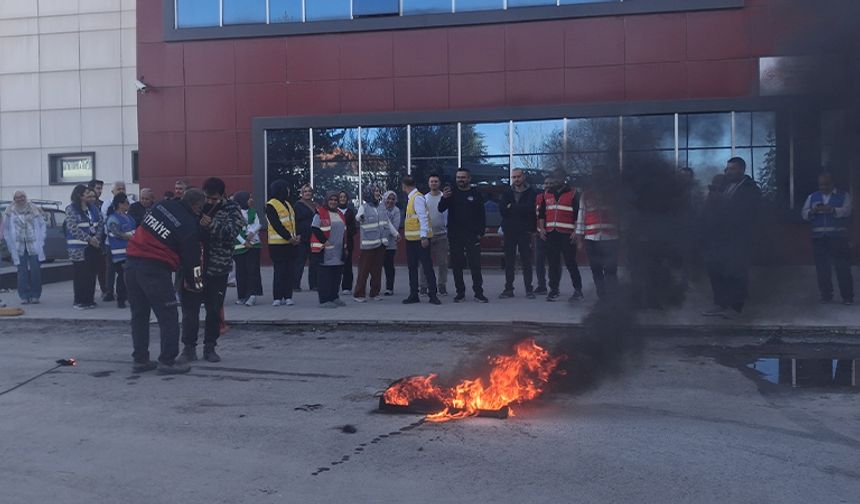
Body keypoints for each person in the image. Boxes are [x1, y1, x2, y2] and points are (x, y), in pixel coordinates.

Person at [126, 189, 205, 375]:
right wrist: (197, 286)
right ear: (196, 206)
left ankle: (140, 360)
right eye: (200, 208)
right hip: (154, 270)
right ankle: (168, 361)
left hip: (130, 264)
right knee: (168, 315)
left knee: (139, 314)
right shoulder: (188, 225)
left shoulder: (161, 205)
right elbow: (192, 260)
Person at [179, 177, 243, 364]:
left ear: (222, 195)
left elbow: (233, 232)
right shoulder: (194, 206)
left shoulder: (232, 209)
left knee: (213, 310)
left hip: (218, 267)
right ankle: (188, 348)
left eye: (214, 199)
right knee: (189, 310)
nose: (209, 202)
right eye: (207, 197)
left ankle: (210, 347)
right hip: (193, 267)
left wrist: (212, 225)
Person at [701, 157, 761, 319]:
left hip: (739, 238)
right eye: (727, 169)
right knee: (716, 269)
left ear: (742, 170)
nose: (728, 172)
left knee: (736, 272)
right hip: (719, 237)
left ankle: (736, 307)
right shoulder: (723, 186)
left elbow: (750, 215)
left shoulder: (751, 189)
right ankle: (720, 303)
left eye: (732, 169)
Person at [801, 172, 854, 305]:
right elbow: (804, 213)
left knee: (842, 268)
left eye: (826, 184)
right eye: (821, 184)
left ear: (832, 183)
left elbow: (847, 211)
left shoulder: (843, 195)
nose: (823, 187)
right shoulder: (812, 197)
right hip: (819, 238)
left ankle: (847, 297)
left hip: (838, 238)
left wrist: (832, 210)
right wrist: (812, 212)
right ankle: (826, 296)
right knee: (822, 269)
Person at [439, 168, 487, 303]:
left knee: (475, 265)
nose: (460, 179)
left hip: (472, 236)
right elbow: (441, 208)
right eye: (458, 177)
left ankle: (479, 293)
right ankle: (460, 293)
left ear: (469, 179)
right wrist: (444, 198)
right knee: (457, 265)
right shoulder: (451, 193)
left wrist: (480, 233)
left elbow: (481, 215)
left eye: (463, 177)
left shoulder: (476, 193)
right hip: (455, 236)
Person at [537, 172, 584, 302]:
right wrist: (542, 229)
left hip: (567, 233)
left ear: (564, 178)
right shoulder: (547, 194)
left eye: (558, 178)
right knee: (553, 264)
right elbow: (542, 214)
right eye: (554, 178)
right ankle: (553, 290)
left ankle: (578, 290)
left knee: (570, 262)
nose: (556, 180)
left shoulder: (573, 193)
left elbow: (577, 214)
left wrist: (576, 231)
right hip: (551, 233)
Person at [575, 172, 620, 301]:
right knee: (596, 270)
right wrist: (579, 240)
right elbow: (581, 217)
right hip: (591, 239)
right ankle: (602, 297)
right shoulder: (586, 195)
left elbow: (621, 216)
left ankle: (613, 297)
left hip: (611, 239)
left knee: (611, 270)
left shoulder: (613, 195)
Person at [353, 186, 399, 302]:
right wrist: (360, 217)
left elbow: (387, 223)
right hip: (368, 245)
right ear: (369, 193)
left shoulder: (382, 207)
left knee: (377, 270)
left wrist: (396, 234)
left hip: (380, 244)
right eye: (375, 191)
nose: (378, 193)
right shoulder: (364, 207)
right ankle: (359, 294)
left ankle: (374, 293)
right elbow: (358, 217)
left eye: (378, 191)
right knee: (364, 270)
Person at [401, 176, 441, 305]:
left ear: (404, 186)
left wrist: (424, 237)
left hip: (420, 239)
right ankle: (414, 294)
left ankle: (433, 294)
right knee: (412, 267)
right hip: (412, 239)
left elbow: (423, 218)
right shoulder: (413, 197)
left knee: (427, 267)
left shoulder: (416, 198)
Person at [499, 168, 537, 299]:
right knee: (509, 261)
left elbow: (530, 209)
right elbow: (503, 210)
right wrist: (517, 209)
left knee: (526, 261)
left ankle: (529, 289)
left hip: (525, 231)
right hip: (509, 231)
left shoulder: (532, 192)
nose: (516, 179)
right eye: (514, 177)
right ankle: (508, 289)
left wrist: (512, 207)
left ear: (523, 177)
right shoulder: (507, 192)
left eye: (518, 176)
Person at [3, 191, 46, 304]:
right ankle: (24, 296)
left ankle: (35, 295)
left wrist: (41, 240)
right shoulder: (9, 211)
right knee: (22, 272)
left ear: (25, 198)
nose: (20, 199)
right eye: (17, 197)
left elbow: (42, 225)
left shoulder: (34, 209)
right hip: (18, 246)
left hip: (33, 245)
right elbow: (6, 229)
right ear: (14, 199)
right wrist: (9, 242)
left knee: (35, 271)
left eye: (22, 197)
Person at [66, 185, 104, 309]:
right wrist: (89, 239)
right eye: (87, 193)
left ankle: (89, 299)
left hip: (93, 247)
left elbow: (100, 223)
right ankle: (79, 301)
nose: (90, 195)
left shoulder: (93, 208)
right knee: (80, 274)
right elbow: (73, 228)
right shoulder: (71, 209)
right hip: (78, 248)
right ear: (80, 195)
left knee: (91, 274)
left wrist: (96, 238)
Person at [311, 191, 347, 308]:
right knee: (325, 277)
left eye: (335, 200)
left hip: (338, 251)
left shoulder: (340, 214)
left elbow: (344, 232)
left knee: (336, 276)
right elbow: (315, 228)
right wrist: (324, 241)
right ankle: (324, 300)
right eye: (331, 200)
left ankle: (334, 297)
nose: (333, 202)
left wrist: (345, 248)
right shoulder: (319, 212)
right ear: (327, 200)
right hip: (324, 250)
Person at [267, 180, 300, 306]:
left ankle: (288, 296)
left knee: (289, 271)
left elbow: (293, 222)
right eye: (286, 188)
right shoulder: (270, 205)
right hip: (277, 244)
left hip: (291, 244)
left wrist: (296, 237)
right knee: (280, 271)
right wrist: (288, 237)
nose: (288, 191)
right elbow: (276, 224)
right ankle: (277, 297)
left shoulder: (287, 204)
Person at [419, 174, 449, 296]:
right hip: (428, 235)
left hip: (442, 235)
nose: (433, 183)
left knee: (443, 263)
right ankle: (423, 286)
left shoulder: (445, 197)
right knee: (424, 262)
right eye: (431, 181)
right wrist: (423, 235)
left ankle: (442, 285)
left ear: (439, 183)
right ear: (428, 183)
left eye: (436, 181)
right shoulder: (424, 199)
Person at [232, 191, 263, 306]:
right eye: (249, 198)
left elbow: (257, 224)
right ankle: (242, 296)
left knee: (252, 270)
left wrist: (250, 234)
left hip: (253, 245)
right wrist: (244, 241)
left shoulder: (253, 211)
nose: (251, 200)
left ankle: (252, 295)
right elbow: (233, 229)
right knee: (241, 272)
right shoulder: (234, 214)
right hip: (239, 247)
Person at [106, 193, 136, 308]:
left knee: (129, 277)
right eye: (126, 203)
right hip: (119, 253)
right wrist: (132, 237)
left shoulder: (128, 217)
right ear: (120, 204)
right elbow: (117, 233)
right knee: (122, 277)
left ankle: (128, 297)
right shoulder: (113, 218)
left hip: (130, 251)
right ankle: (121, 299)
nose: (128, 205)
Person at [294, 184, 317, 291]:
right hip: (302, 237)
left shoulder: (315, 205)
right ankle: (295, 285)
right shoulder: (298, 205)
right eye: (305, 191)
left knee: (314, 262)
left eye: (309, 191)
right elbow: (295, 221)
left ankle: (314, 285)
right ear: (302, 194)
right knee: (299, 262)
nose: (307, 193)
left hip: (314, 237)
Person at [337, 190, 357, 295]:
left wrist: (346, 230)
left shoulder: (350, 212)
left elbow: (354, 228)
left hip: (348, 242)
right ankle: (334, 285)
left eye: (344, 197)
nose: (342, 199)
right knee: (336, 265)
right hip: (336, 242)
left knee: (347, 264)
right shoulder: (334, 211)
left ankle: (347, 286)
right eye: (340, 197)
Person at [382, 190, 401, 296]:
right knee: (375, 266)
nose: (390, 201)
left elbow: (395, 226)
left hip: (390, 244)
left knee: (389, 266)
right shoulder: (380, 209)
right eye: (388, 198)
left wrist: (385, 228)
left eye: (393, 199)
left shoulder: (396, 211)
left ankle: (389, 288)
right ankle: (374, 287)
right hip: (378, 242)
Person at [533, 178, 549, 295]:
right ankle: (541, 285)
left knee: (555, 261)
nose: (548, 185)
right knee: (539, 261)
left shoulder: (557, 198)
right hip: (539, 234)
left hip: (555, 234)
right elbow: (534, 215)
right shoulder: (538, 197)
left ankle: (554, 286)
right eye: (546, 183)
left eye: (551, 183)